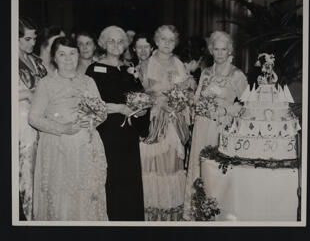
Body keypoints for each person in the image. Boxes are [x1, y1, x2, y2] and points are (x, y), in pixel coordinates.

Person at [29, 37, 108, 221]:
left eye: (72, 53)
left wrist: (92, 119)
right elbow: (34, 118)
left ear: (78, 55)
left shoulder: (89, 81)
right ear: (54, 58)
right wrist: (63, 128)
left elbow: (102, 112)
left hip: (87, 149)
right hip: (60, 149)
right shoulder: (46, 83)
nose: (68, 59)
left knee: (87, 195)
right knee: (62, 196)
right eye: (62, 54)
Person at [86, 26, 150, 221]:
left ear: (125, 45)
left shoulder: (130, 68)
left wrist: (143, 109)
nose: (115, 45)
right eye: (111, 41)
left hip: (128, 135)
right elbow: (91, 103)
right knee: (111, 179)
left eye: (120, 41)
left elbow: (141, 96)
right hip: (107, 132)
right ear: (103, 44)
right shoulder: (94, 69)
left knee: (129, 180)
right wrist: (120, 108)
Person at [183, 31, 248, 220]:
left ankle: (217, 212)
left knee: (215, 168)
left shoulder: (236, 74)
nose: (220, 53)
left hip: (221, 129)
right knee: (198, 166)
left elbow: (246, 105)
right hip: (201, 127)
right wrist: (191, 100)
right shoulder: (205, 72)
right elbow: (197, 98)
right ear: (211, 50)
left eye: (224, 49)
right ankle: (197, 211)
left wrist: (225, 110)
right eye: (216, 49)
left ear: (230, 51)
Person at [139, 25, 195, 221]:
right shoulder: (146, 64)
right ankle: (151, 215)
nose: (166, 43)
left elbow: (187, 92)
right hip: (154, 120)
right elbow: (143, 93)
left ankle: (170, 215)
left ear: (176, 43)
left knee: (171, 166)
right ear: (156, 40)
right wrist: (160, 102)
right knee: (152, 166)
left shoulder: (179, 64)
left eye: (171, 40)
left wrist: (182, 101)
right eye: (163, 39)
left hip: (174, 122)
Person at [18, 17, 47, 220]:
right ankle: (27, 219)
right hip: (22, 122)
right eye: (27, 39)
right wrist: (28, 94)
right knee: (27, 171)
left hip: (41, 118)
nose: (32, 43)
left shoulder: (36, 60)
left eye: (34, 38)